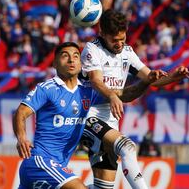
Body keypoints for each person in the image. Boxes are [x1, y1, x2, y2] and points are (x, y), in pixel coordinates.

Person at [13, 42, 165, 189]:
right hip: (40, 162)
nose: (71, 59)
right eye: (65, 56)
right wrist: (21, 138)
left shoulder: (87, 91)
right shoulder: (47, 88)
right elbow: (21, 112)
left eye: (76, 56)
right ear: (55, 64)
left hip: (57, 166)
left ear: (81, 64)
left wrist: (146, 82)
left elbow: (124, 95)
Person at [80, 9, 189, 189]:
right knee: (128, 147)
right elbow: (96, 81)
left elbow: (152, 79)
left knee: (103, 187)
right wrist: (112, 96)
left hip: (110, 123)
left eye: (122, 39)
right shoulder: (92, 49)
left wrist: (173, 76)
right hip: (88, 116)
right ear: (102, 34)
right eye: (114, 40)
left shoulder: (127, 52)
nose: (119, 44)